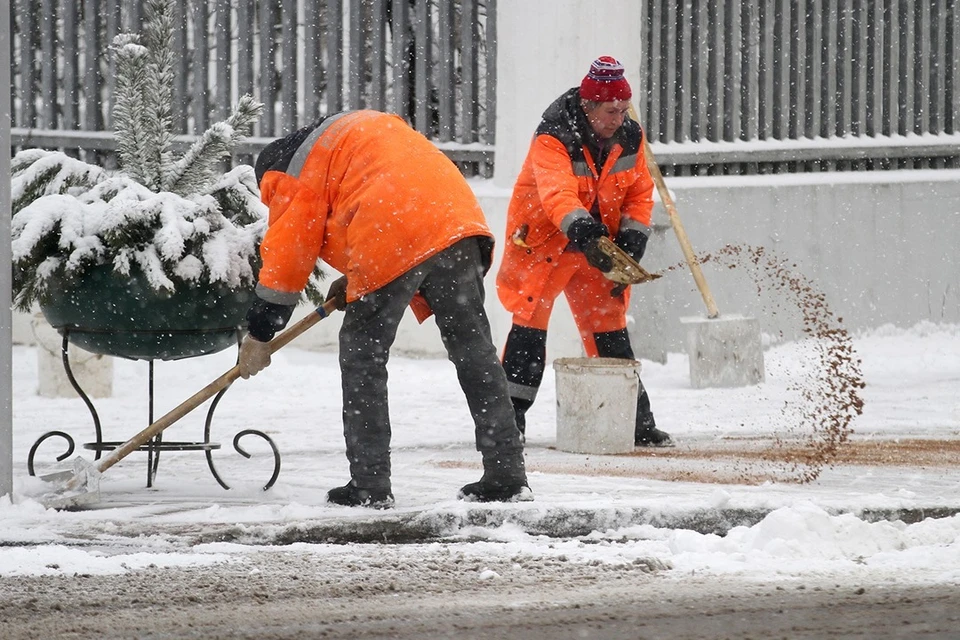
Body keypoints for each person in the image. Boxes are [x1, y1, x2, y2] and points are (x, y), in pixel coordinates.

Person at [238, 110, 532, 508]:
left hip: (391, 229)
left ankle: (369, 484)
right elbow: (373, 196)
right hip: (457, 222)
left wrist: (260, 333)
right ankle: (507, 474)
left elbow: (287, 259)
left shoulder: (290, 172)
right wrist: (357, 275)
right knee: (474, 351)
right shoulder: (352, 134)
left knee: (363, 356)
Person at [496, 56, 673, 448]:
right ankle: (508, 426)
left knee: (609, 329)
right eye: (611, 111)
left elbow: (640, 193)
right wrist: (585, 232)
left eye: (623, 110)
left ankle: (635, 423)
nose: (618, 119)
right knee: (529, 328)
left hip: (598, 246)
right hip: (545, 243)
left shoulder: (629, 135)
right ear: (590, 107)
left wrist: (632, 238)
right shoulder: (553, 137)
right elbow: (557, 195)